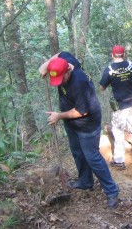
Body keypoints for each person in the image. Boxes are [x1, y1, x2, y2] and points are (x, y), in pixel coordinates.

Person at [39, 51, 119, 208]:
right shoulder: (66, 60)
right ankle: (85, 182)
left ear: (68, 70)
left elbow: (82, 111)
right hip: (71, 123)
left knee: (92, 157)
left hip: (86, 123)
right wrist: (44, 67)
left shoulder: (79, 82)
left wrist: (59, 116)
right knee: (77, 152)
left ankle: (112, 191)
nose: (59, 83)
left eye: (61, 79)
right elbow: (60, 53)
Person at [99, 45, 132, 169]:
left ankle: (119, 160)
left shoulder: (109, 69)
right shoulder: (131, 66)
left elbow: (102, 88)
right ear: (124, 54)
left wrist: (111, 83)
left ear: (112, 55)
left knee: (118, 131)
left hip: (120, 105)